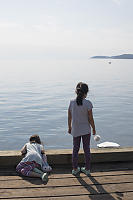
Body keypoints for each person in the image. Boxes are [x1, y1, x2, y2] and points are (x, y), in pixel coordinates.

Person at [68, 82, 96, 175]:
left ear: (76, 91)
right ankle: (87, 169)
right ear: (86, 92)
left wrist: (69, 127)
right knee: (86, 149)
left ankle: (75, 169)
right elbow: (90, 118)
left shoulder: (72, 102)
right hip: (86, 130)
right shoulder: (88, 103)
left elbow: (69, 116)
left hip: (75, 130)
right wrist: (94, 128)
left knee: (75, 149)